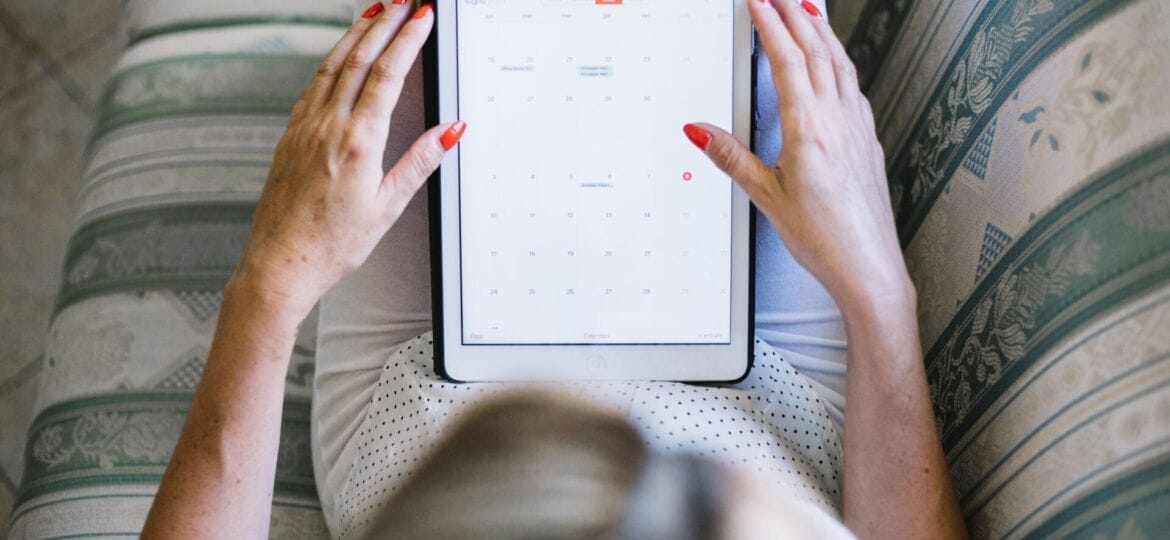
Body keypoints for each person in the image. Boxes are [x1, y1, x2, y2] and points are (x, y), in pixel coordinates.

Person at [141, 0, 967, 538]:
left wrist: (274, 283)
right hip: (767, 400)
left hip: (429, 418)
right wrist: (877, 292)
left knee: (436, 35)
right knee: (755, 23)